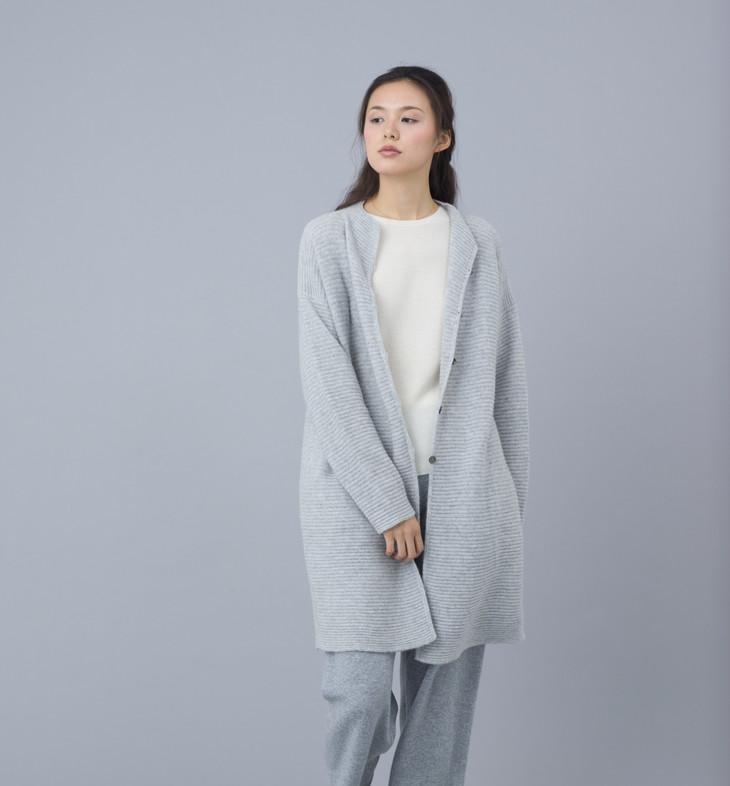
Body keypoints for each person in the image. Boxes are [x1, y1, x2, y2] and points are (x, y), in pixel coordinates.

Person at [296, 64, 529, 786]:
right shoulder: (327, 240)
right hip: (357, 498)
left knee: (440, 713)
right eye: (376, 118)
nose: (388, 131)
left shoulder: (478, 241)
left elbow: (505, 382)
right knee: (359, 695)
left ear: (443, 137)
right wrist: (386, 503)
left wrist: (506, 514)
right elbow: (328, 385)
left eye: (408, 118)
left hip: (463, 498)